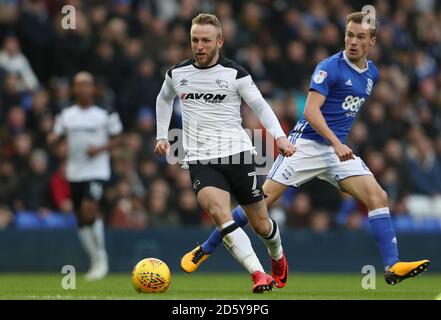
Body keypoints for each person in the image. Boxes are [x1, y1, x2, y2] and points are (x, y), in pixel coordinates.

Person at [181, 12, 430, 286]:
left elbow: (343, 111)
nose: (353, 42)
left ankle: (392, 266)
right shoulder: (330, 67)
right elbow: (311, 111)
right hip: (306, 146)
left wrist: (338, 143)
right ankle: (207, 246)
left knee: (377, 196)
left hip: (336, 152)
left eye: (360, 37)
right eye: (349, 35)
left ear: (372, 41)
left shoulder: (372, 73)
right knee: (260, 206)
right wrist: (337, 142)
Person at [154, 13, 295, 293]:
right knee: (219, 213)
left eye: (206, 40)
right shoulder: (176, 73)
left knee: (261, 224)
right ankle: (257, 273)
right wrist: (161, 136)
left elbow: (261, 106)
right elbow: (163, 99)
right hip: (199, 159)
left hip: (238, 153)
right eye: (195, 40)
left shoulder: (235, 74)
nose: (199, 46)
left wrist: (279, 137)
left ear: (219, 41)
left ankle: (277, 256)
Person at [48, 72, 123, 281]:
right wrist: (54, 141)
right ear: (74, 89)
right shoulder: (66, 114)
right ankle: (95, 259)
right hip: (74, 172)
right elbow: (56, 136)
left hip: (97, 170)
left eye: (87, 85)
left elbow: (118, 139)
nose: (83, 89)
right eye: (79, 85)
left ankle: (102, 258)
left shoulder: (105, 112)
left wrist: (100, 149)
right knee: (80, 218)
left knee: (89, 210)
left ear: (93, 88)